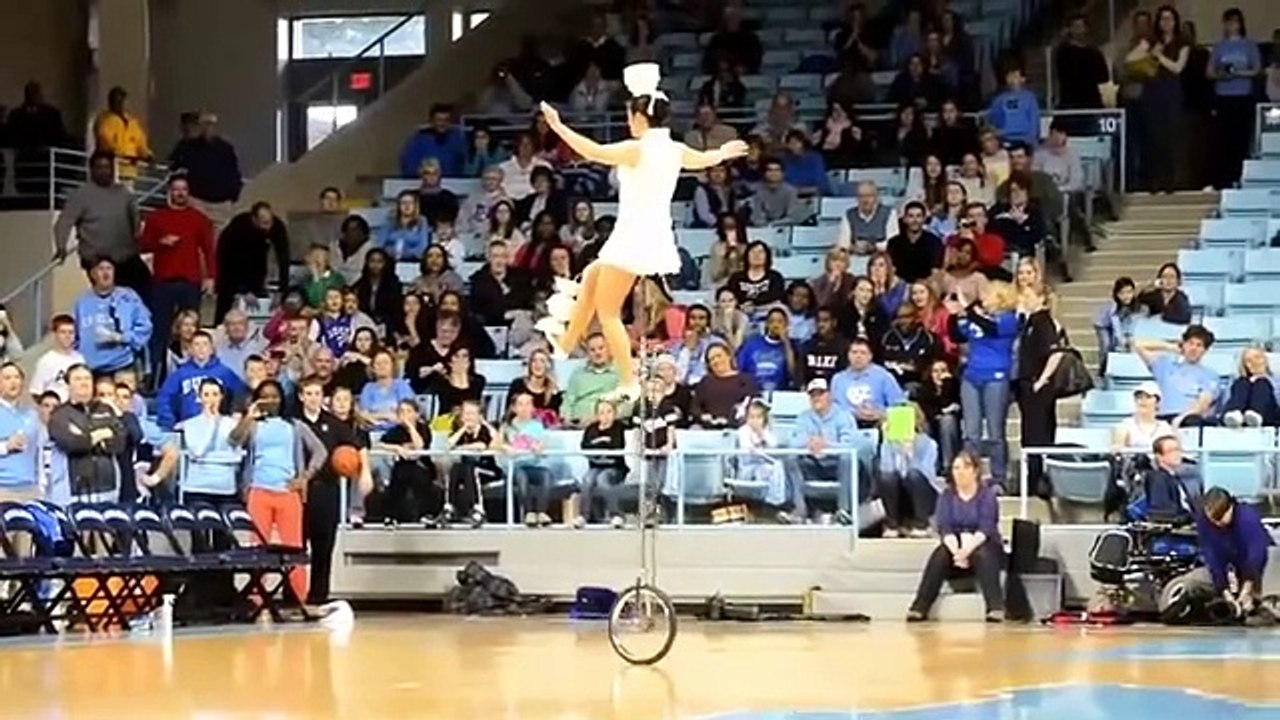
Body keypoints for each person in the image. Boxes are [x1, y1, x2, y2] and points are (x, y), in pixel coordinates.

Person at [535, 64, 748, 400]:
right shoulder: (674, 149)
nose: (627, 122)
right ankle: (563, 346)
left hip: (635, 237)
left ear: (640, 117)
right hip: (645, 233)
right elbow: (704, 159)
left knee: (607, 311)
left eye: (629, 116)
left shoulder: (640, 149)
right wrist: (724, 152)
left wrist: (558, 126)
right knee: (590, 277)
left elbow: (593, 152)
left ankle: (628, 380)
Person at [228, 380, 328, 603]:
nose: (271, 400)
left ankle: (300, 598)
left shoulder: (294, 426)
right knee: (258, 549)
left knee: (294, 547)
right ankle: (257, 599)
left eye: (275, 396)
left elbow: (320, 451)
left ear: (282, 399)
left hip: (287, 492)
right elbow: (233, 441)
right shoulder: (254, 425)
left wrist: (304, 478)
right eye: (265, 396)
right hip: (259, 491)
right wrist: (248, 416)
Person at [907, 451, 1004, 622]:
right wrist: (958, 552)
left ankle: (995, 607)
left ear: (975, 471)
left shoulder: (987, 495)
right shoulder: (947, 496)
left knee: (983, 553)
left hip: (983, 544)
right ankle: (919, 607)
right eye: (956, 468)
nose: (960, 472)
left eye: (965, 467)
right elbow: (945, 528)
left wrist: (966, 551)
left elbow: (986, 528)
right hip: (956, 546)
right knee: (940, 554)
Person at [138, 175, 216, 374]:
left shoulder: (199, 219)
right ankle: (157, 373)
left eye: (183, 189)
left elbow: (209, 250)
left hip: (190, 281)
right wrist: (160, 242)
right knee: (159, 330)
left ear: (188, 193)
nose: (180, 193)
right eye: (176, 189)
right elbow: (142, 244)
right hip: (163, 282)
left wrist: (210, 277)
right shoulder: (156, 218)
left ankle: (194, 368)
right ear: (169, 192)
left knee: (191, 329)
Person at [949, 282, 1019, 484]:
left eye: (988, 293)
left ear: (1000, 297)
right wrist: (954, 314)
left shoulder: (1008, 319)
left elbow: (991, 329)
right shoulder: (976, 318)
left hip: (996, 378)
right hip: (971, 377)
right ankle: (970, 477)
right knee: (971, 433)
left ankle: (999, 479)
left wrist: (967, 308)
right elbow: (956, 335)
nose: (983, 296)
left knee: (996, 433)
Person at [53, 151, 146, 298]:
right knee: (110, 300)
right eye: (99, 167)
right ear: (91, 170)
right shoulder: (81, 195)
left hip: (126, 258)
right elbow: (64, 222)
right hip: (96, 260)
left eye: (107, 167)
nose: (104, 171)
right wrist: (61, 247)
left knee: (144, 291)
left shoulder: (124, 193)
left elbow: (135, 220)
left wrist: (138, 241)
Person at [784, 378, 864, 524]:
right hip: (813, 462)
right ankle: (799, 510)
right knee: (790, 458)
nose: (816, 398)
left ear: (829, 396)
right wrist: (808, 444)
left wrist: (827, 445)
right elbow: (793, 442)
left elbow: (852, 444)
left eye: (820, 394)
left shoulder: (843, 416)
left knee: (847, 459)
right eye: (813, 395)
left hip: (836, 462)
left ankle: (844, 510)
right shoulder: (804, 417)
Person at [47, 364, 127, 503]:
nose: (83, 383)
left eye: (87, 378)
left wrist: (88, 437)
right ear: (68, 384)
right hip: (74, 493)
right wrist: (100, 435)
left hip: (108, 490)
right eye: (77, 379)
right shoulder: (60, 414)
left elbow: (120, 442)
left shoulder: (106, 409)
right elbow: (73, 443)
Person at [1191, 487, 1273, 619]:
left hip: (1258, 560)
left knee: (1262, 602)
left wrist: (1246, 590)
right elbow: (1211, 556)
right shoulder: (1205, 521)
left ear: (1231, 508)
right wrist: (1225, 592)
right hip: (1230, 559)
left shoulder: (1247, 519)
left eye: (1220, 518)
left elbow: (1256, 555)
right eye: (1213, 520)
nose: (1217, 524)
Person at [72, 256, 153, 376]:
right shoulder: (81, 302)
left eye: (109, 269)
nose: (106, 273)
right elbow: (73, 334)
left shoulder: (128, 297)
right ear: (93, 274)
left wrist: (122, 338)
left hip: (122, 365)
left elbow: (146, 326)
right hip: (91, 368)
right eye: (101, 269)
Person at [1209, 9, 1262, 190]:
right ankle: (1223, 178)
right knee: (1223, 139)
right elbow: (1209, 72)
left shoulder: (1249, 46)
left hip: (1243, 96)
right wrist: (1222, 75)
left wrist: (1239, 73)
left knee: (1241, 138)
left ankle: (1241, 176)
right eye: (1229, 22)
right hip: (1223, 96)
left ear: (1240, 24)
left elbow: (1256, 69)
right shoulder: (1219, 47)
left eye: (1235, 22)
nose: (1232, 26)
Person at [1140, 5, 1190, 193]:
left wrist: (1159, 56)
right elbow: (1134, 58)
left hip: (1171, 92)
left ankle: (1173, 181)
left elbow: (1178, 67)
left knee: (1172, 138)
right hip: (1152, 91)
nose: (1166, 23)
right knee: (1154, 137)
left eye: (1170, 19)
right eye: (1162, 19)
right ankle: (1154, 181)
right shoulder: (1152, 41)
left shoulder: (1182, 43)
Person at [215, 202, 291, 324]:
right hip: (232, 268)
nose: (268, 227)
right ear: (254, 219)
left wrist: (282, 290)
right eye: (264, 223)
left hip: (259, 267)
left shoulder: (277, 226)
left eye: (269, 222)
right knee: (225, 307)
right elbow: (231, 262)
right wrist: (243, 290)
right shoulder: (239, 226)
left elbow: (283, 259)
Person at [168, 112, 242, 233]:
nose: (208, 128)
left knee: (218, 243)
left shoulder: (226, 148)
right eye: (205, 124)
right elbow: (174, 168)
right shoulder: (187, 147)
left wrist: (234, 194)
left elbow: (234, 171)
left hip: (222, 204)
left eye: (211, 124)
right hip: (197, 200)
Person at [155, 330, 244, 431]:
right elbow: (164, 397)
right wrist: (169, 421)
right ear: (191, 349)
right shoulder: (180, 374)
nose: (201, 348)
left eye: (205, 344)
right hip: (188, 425)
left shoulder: (224, 372)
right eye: (197, 344)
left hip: (217, 426)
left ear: (211, 349)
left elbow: (241, 394)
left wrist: (235, 416)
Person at [1134, 324, 1220, 426]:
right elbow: (1138, 345)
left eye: (1199, 345)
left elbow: (1203, 403)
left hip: (1187, 419)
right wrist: (1170, 347)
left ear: (1204, 350)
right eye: (1190, 343)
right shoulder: (1165, 364)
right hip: (1162, 418)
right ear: (1183, 344)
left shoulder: (1210, 375)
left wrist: (1182, 418)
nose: (1194, 348)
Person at [374, 399, 439, 527]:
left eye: (409, 411)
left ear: (417, 414)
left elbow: (419, 446)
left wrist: (410, 427)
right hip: (402, 467)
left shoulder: (423, 428)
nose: (405, 415)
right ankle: (392, 516)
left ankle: (426, 514)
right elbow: (378, 444)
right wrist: (396, 448)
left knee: (415, 474)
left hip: (422, 467)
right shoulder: (395, 431)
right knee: (401, 473)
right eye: (402, 412)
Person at [445, 399, 500, 527]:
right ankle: (449, 507)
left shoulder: (485, 430)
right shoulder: (459, 430)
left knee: (471, 469)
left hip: (488, 469)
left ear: (479, 416)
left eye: (472, 414)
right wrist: (463, 429)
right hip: (466, 470)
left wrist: (460, 448)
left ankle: (478, 509)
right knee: (455, 468)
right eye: (466, 414)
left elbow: (480, 445)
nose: (469, 417)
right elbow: (448, 445)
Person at [830, 337, 907, 429]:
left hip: (880, 424)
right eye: (854, 352)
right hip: (848, 427)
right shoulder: (838, 379)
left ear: (870, 356)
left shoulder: (884, 376)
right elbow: (835, 409)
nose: (858, 356)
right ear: (848, 355)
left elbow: (900, 405)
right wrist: (854, 413)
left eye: (863, 353)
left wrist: (881, 414)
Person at [736, 399, 793, 522]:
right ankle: (776, 505)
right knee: (775, 468)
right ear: (746, 418)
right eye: (752, 417)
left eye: (758, 417)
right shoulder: (743, 432)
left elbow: (774, 445)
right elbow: (749, 452)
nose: (755, 420)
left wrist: (761, 433)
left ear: (764, 419)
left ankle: (776, 503)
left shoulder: (767, 431)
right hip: (748, 470)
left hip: (764, 468)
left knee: (779, 467)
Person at [578, 399, 629, 527]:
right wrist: (602, 447)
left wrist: (599, 447)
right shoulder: (591, 429)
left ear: (615, 413)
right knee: (587, 480)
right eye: (602, 412)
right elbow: (585, 447)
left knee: (603, 479)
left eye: (609, 412)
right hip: (596, 466)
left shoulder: (619, 427)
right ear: (597, 415)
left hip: (615, 467)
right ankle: (584, 516)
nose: (605, 416)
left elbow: (616, 446)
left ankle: (616, 514)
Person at [0, 363, 41, 503]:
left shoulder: (32, 414)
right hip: (3, 490)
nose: (13, 382)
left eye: (17, 377)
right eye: (7, 378)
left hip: (31, 489)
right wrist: (6, 446)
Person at [93, 86, 151, 181]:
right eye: (116, 100)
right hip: (111, 169)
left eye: (121, 100)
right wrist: (118, 153)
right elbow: (104, 138)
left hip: (129, 170)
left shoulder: (133, 123)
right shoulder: (104, 120)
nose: (119, 103)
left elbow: (140, 142)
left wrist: (147, 155)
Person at [692, 343, 758, 427]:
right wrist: (702, 416)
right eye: (712, 359)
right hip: (710, 427)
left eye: (719, 356)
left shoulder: (746, 380)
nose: (716, 361)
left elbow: (754, 403)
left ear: (728, 356)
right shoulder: (706, 381)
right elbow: (695, 406)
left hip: (739, 427)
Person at [1054, 14, 1110, 109]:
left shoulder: (1094, 53)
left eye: (1081, 27)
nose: (1078, 31)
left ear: (1086, 28)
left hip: (1092, 103)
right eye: (1075, 27)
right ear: (1070, 29)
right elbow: (1064, 76)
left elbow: (1104, 77)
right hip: (1070, 104)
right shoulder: (1063, 52)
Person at [1143, 434, 1204, 521]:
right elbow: (1162, 511)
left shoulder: (1176, 477)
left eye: (1178, 450)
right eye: (1171, 451)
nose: (1177, 454)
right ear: (1159, 457)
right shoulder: (1159, 479)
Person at [399, 104, 467, 178]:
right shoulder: (419, 141)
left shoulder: (458, 140)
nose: (442, 124)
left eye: (446, 120)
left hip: (454, 184)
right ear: (432, 121)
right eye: (439, 120)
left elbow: (465, 166)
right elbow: (408, 166)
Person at [886, 201, 944, 285]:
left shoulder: (934, 242)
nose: (915, 220)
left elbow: (935, 272)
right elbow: (891, 270)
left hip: (925, 286)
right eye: (911, 216)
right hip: (899, 285)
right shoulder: (894, 242)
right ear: (904, 219)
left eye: (918, 216)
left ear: (924, 219)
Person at [736, 308, 794, 392]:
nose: (775, 325)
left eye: (780, 322)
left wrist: (786, 342)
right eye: (772, 321)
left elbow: (792, 372)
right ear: (767, 324)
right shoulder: (751, 344)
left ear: (786, 325)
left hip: (779, 394)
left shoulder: (791, 346)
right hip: (753, 393)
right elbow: (739, 370)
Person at [1221, 347, 1280, 427]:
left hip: (1269, 415)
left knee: (1261, 383)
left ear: (1265, 360)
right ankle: (1235, 414)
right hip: (1242, 415)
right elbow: (1226, 401)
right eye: (1248, 360)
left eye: (1257, 357)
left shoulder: (1276, 380)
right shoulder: (1238, 382)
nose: (1254, 362)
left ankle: (1256, 414)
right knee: (1242, 382)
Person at [29, 315, 84, 401]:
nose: (67, 336)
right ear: (55, 334)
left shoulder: (80, 359)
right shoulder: (46, 361)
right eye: (63, 332)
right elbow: (36, 391)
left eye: (71, 332)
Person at [837, 182, 898, 255]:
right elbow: (843, 244)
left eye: (869, 196)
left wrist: (874, 246)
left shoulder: (889, 213)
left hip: (882, 258)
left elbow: (894, 243)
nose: (865, 200)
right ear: (856, 198)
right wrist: (854, 247)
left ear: (876, 197)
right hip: (856, 258)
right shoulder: (849, 214)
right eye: (861, 196)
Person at [987, 61, 1039, 145]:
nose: (1012, 79)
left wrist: (1032, 140)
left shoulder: (1030, 97)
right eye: (1009, 76)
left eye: (1015, 76)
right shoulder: (999, 100)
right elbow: (993, 120)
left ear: (1023, 79)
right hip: (1005, 139)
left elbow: (1034, 120)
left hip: (1025, 139)